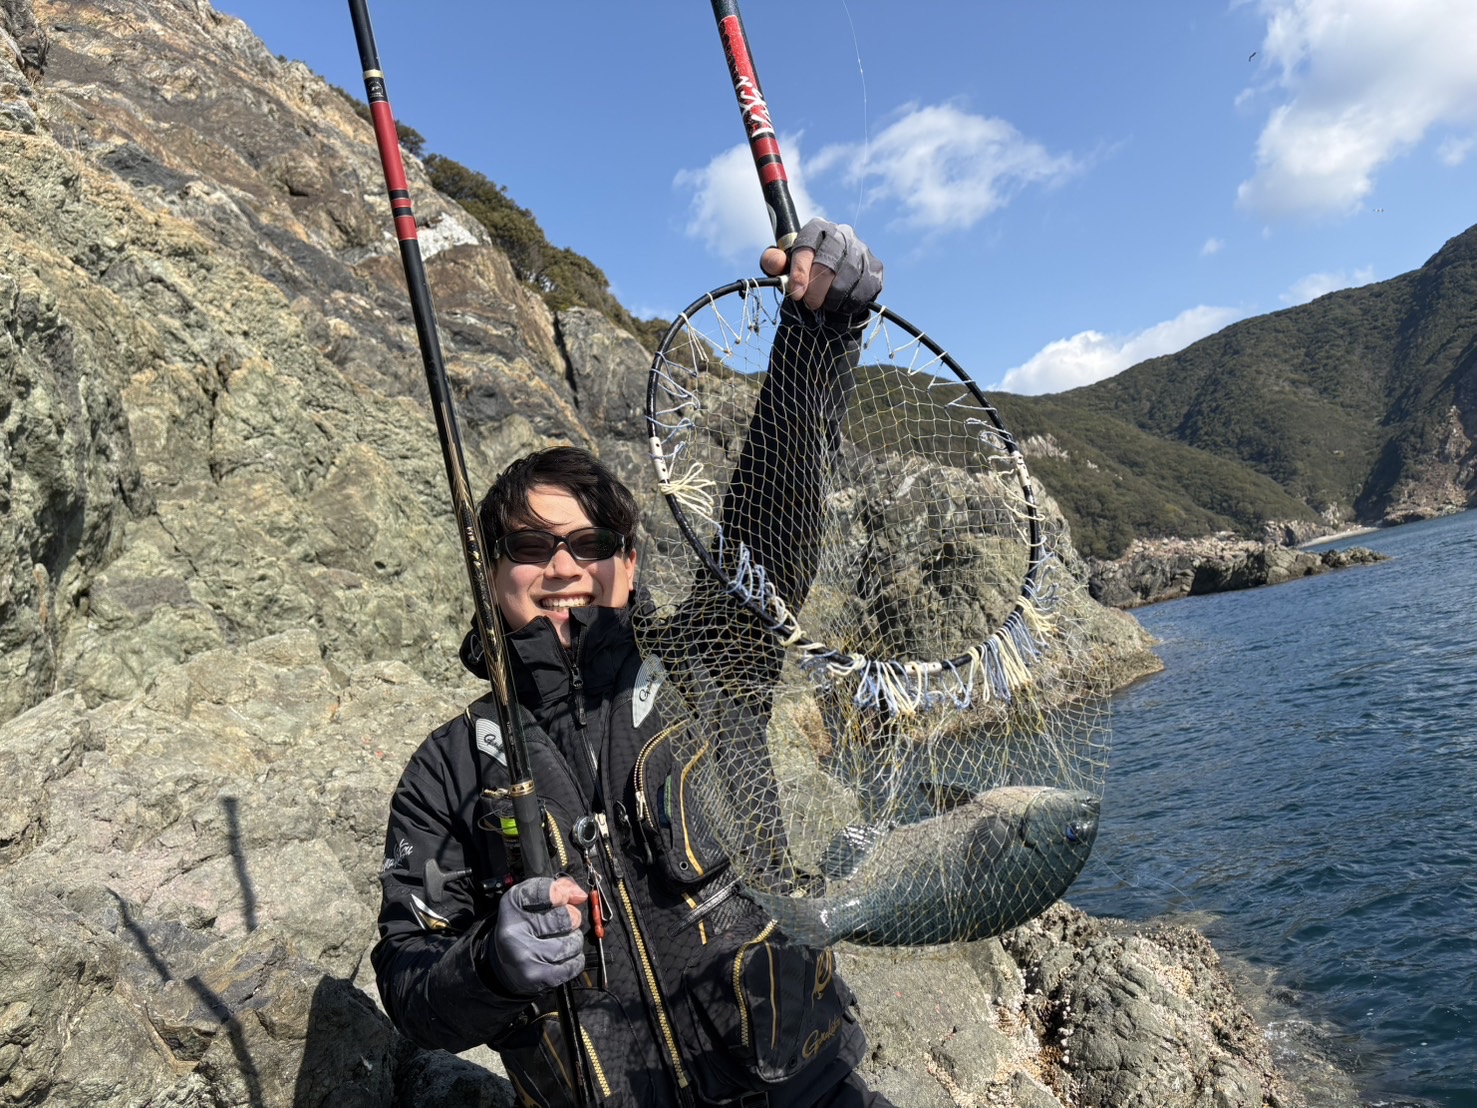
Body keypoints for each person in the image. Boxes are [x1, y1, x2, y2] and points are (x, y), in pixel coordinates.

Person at [372, 220, 895, 1107]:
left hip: (806, 1091)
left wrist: (819, 334)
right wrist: (488, 964)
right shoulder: (446, 770)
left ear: (630, 561)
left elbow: (771, 519)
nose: (562, 567)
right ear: (490, 574)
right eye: (529, 546)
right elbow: (409, 982)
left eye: (590, 542)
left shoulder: (708, 665)